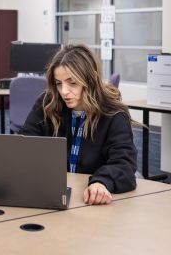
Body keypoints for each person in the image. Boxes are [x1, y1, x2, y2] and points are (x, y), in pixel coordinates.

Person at [20, 43, 137, 205]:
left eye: (72, 82)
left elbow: (125, 165)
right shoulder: (48, 104)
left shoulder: (113, 114)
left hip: (89, 202)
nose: (64, 91)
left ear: (91, 79)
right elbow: (24, 145)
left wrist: (101, 182)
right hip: (50, 195)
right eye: (58, 83)